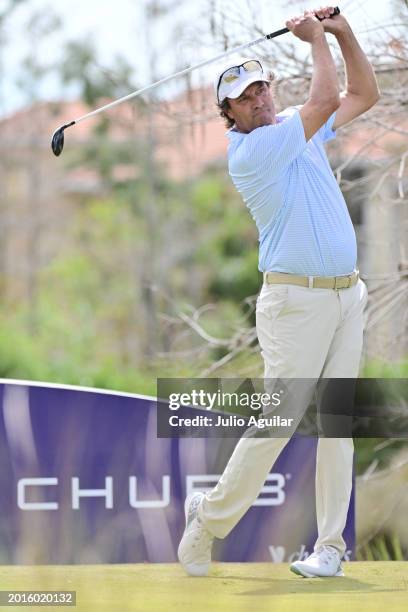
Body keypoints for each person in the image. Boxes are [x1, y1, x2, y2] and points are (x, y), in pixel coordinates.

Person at [178, 6, 380, 578]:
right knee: (278, 421)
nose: (260, 98)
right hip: (295, 304)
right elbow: (322, 101)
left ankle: (330, 549)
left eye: (262, 86)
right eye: (246, 96)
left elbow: (363, 93)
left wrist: (343, 33)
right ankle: (209, 520)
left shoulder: (299, 125)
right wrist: (317, 40)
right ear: (230, 113)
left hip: (348, 296)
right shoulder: (251, 153)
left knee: (338, 423)